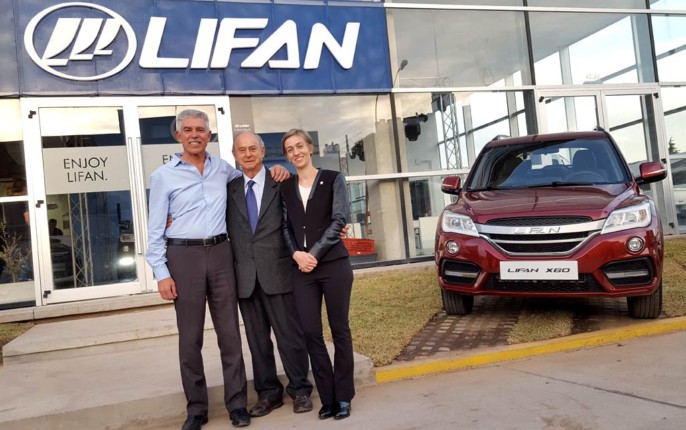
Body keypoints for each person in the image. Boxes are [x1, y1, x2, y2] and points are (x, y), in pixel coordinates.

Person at [145, 109, 288, 430]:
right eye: (188, 129)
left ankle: (237, 404)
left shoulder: (223, 169)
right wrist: (161, 272)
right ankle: (196, 409)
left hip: (223, 254)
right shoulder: (163, 176)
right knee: (190, 338)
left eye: (200, 129)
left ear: (209, 135)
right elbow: (154, 229)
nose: (194, 134)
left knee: (230, 335)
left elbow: (254, 177)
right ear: (178, 135)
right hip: (183, 256)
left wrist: (277, 169)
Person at [226, 131, 314, 418]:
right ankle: (268, 394)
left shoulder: (283, 183)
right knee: (257, 342)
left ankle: (300, 390)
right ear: (235, 155)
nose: (248, 154)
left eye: (253, 148)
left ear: (263, 151)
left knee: (290, 337)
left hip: (278, 273)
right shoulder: (229, 189)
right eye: (242, 150)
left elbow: (302, 219)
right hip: (246, 278)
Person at [279, 129, 355, 420]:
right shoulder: (285, 187)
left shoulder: (334, 179)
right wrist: (296, 254)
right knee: (311, 332)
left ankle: (344, 395)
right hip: (302, 269)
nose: (296, 152)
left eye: (300, 146)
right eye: (289, 149)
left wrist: (314, 253)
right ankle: (328, 397)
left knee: (340, 330)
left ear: (310, 148)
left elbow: (339, 219)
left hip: (333, 264)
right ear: (287, 156)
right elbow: (284, 227)